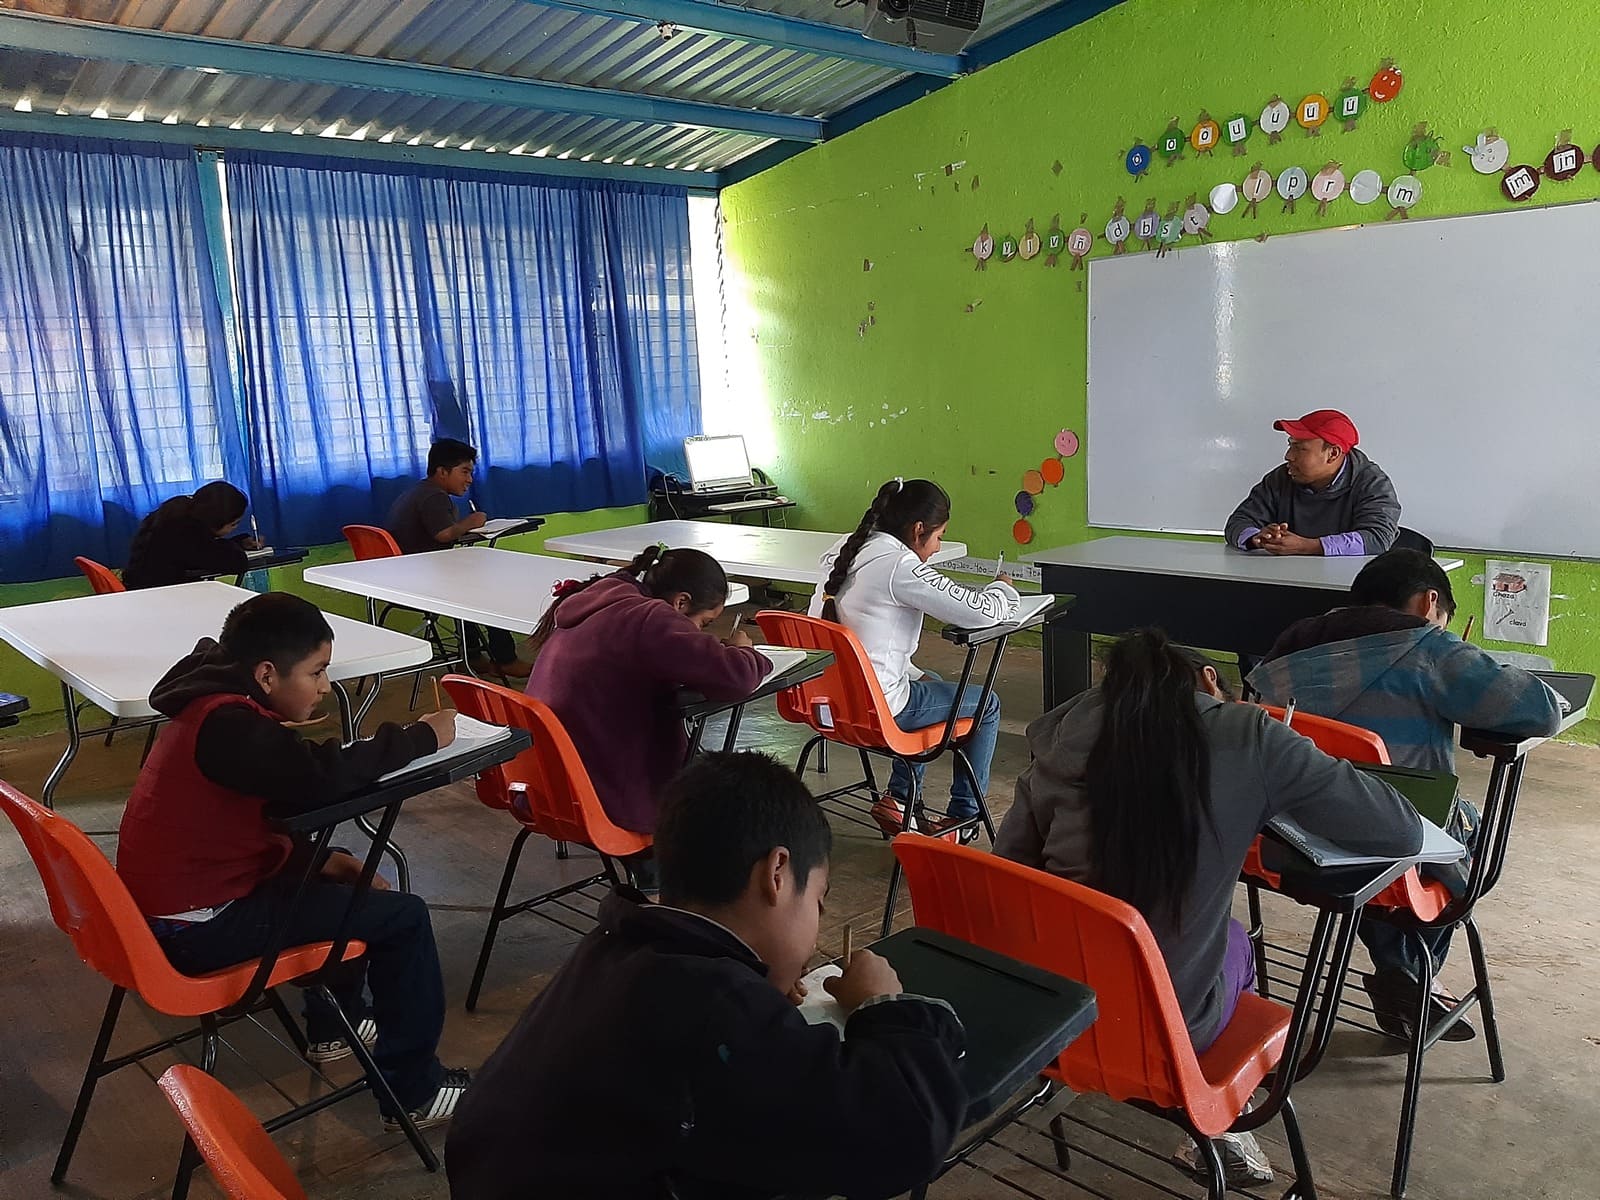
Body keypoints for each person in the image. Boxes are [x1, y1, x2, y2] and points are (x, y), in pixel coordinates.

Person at [996, 629, 1421, 1186]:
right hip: (1168, 1027)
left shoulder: (1059, 736)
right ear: (1209, 679)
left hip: (1047, 1009)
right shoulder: (1247, 733)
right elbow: (1398, 830)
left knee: (1186, 932)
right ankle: (1223, 1129)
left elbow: (1011, 868)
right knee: (1237, 940)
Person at [444, 751, 967, 1200]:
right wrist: (887, 1007)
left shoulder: (617, 946)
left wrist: (754, 1001)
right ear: (777, 873)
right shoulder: (714, 1005)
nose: (818, 926)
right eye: (818, 901)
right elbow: (904, 1135)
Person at [116, 592, 472, 1131]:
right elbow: (319, 778)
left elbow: (262, 806)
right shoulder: (232, 727)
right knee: (404, 916)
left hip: (169, 909)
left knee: (340, 872)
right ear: (264, 675)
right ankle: (414, 1092)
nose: (326, 686)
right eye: (318, 671)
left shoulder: (209, 699)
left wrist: (322, 860)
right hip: (196, 929)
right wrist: (423, 736)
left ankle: (334, 1027)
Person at [1249, 549, 1563, 1040]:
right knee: (1471, 837)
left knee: (1373, 829)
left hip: (1290, 834)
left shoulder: (1292, 641)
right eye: (1440, 620)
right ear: (1427, 602)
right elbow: (1540, 711)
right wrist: (1466, 659)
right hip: (1397, 840)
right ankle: (1410, 970)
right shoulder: (1429, 649)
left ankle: (1401, 970)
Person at [809, 477, 1019, 840]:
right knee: (987, 705)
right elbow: (979, 612)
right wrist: (1003, 588)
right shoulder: (899, 566)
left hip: (830, 703)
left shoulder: (848, 548)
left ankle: (900, 799)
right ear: (918, 529)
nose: (937, 549)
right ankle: (962, 819)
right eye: (937, 537)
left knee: (930, 678)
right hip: (879, 709)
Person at [525, 545, 766, 843]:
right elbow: (738, 678)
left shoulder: (604, 598)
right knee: (737, 787)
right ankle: (673, 864)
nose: (700, 632)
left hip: (549, 779)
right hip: (606, 790)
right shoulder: (649, 617)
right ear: (680, 602)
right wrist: (743, 649)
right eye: (704, 623)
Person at [385, 438, 528, 679]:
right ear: (442, 472)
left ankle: (471, 656)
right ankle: (505, 659)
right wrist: (471, 522)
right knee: (491, 590)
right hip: (421, 578)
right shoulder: (434, 497)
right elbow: (443, 534)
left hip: (404, 574)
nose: (470, 479)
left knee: (470, 586)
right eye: (464, 471)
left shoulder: (417, 491)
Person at [1224, 409, 1400, 557]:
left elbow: (1377, 538)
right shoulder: (1282, 477)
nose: (1288, 456)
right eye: (1290, 445)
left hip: (1346, 588)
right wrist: (1257, 538)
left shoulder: (1372, 483)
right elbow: (1238, 521)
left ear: (1332, 454)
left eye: (1300, 448)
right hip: (1287, 581)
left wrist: (1308, 546)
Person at [123, 481, 259, 589]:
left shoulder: (177, 512)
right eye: (233, 524)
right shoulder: (186, 532)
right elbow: (237, 562)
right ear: (217, 520)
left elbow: (207, 549)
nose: (234, 529)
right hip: (161, 594)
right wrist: (235, 548)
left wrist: (240, 543)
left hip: (139, 587)